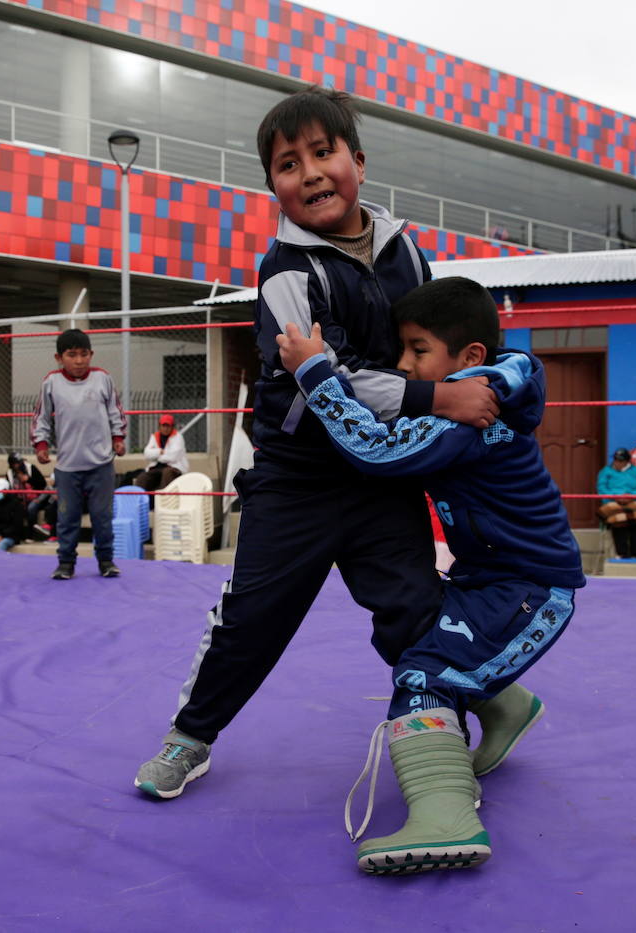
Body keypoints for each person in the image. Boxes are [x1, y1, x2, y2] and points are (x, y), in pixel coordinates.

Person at [134, 86, 499, 801]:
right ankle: (190, 736)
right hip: (296, 478)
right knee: (250, 617)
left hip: (381, 474)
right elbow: (329, 375)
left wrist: (468, 386)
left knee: (416, 611)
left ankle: (447, 737)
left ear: (358, 162)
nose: (309, 173)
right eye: (287, 164)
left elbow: (431, 346)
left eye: (322, 153)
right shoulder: (284, 272)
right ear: (273, 186)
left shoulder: (407, 252)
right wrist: (437, 398)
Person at [276, 276, 584, 873]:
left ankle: (448, 820)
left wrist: (314, 371)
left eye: (418, 350)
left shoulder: (468, 416)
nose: (402, 364)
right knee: (410, 632)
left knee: (424, 675)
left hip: (530, 589)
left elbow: (376, 448)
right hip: (489, 579)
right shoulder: (488, 387)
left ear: (470, 358)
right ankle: (508, 707)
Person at [31, 328, 127, 580]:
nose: (79, 360)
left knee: (102, 517)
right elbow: (41, 417)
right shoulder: (51, 382)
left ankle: (106, 561)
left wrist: (118, 438)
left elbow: (115, 411)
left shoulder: (102, 378)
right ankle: (66, 563)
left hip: (101, 463)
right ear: (59, 358)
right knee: (67, 517)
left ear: (91, 354)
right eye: (72, 355)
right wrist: (41, 445)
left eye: (84, 354)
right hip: (67, 466)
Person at [597, 447, 636, 558]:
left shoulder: (635, 471)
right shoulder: (606, 471)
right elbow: (602, 488)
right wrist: (616, 496)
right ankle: (622, 553)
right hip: (613, 502)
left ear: (627, 461)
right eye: (616, 460)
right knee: (618, 519)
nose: (617, 463)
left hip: (633, 501)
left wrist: (631, 496)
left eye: (621, 461)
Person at [132, 414, 189, 496]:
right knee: (142, 478)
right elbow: (147, 454)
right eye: (163, 426)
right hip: (157, 467)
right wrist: (159, 451)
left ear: (172, 427)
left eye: (168, 426)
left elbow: (173, 457)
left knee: (167, 474)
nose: (165, 428)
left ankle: (163, 499)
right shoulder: (154, 436)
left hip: (174, 467)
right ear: (159, 426)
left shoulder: (178, 437)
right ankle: (140, 500)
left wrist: (156, 457)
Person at [7, 451, 53, 538]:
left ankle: (31, 534)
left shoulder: (30, 468)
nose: (18, 465)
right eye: (16, 463)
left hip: (37, 497)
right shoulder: (9, 473)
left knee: (31, 508)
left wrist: (28, 480)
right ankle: (17, 535)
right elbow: (10, 489)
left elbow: (42, 484)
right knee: (15, 508)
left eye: (19, 462)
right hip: (19, 498)